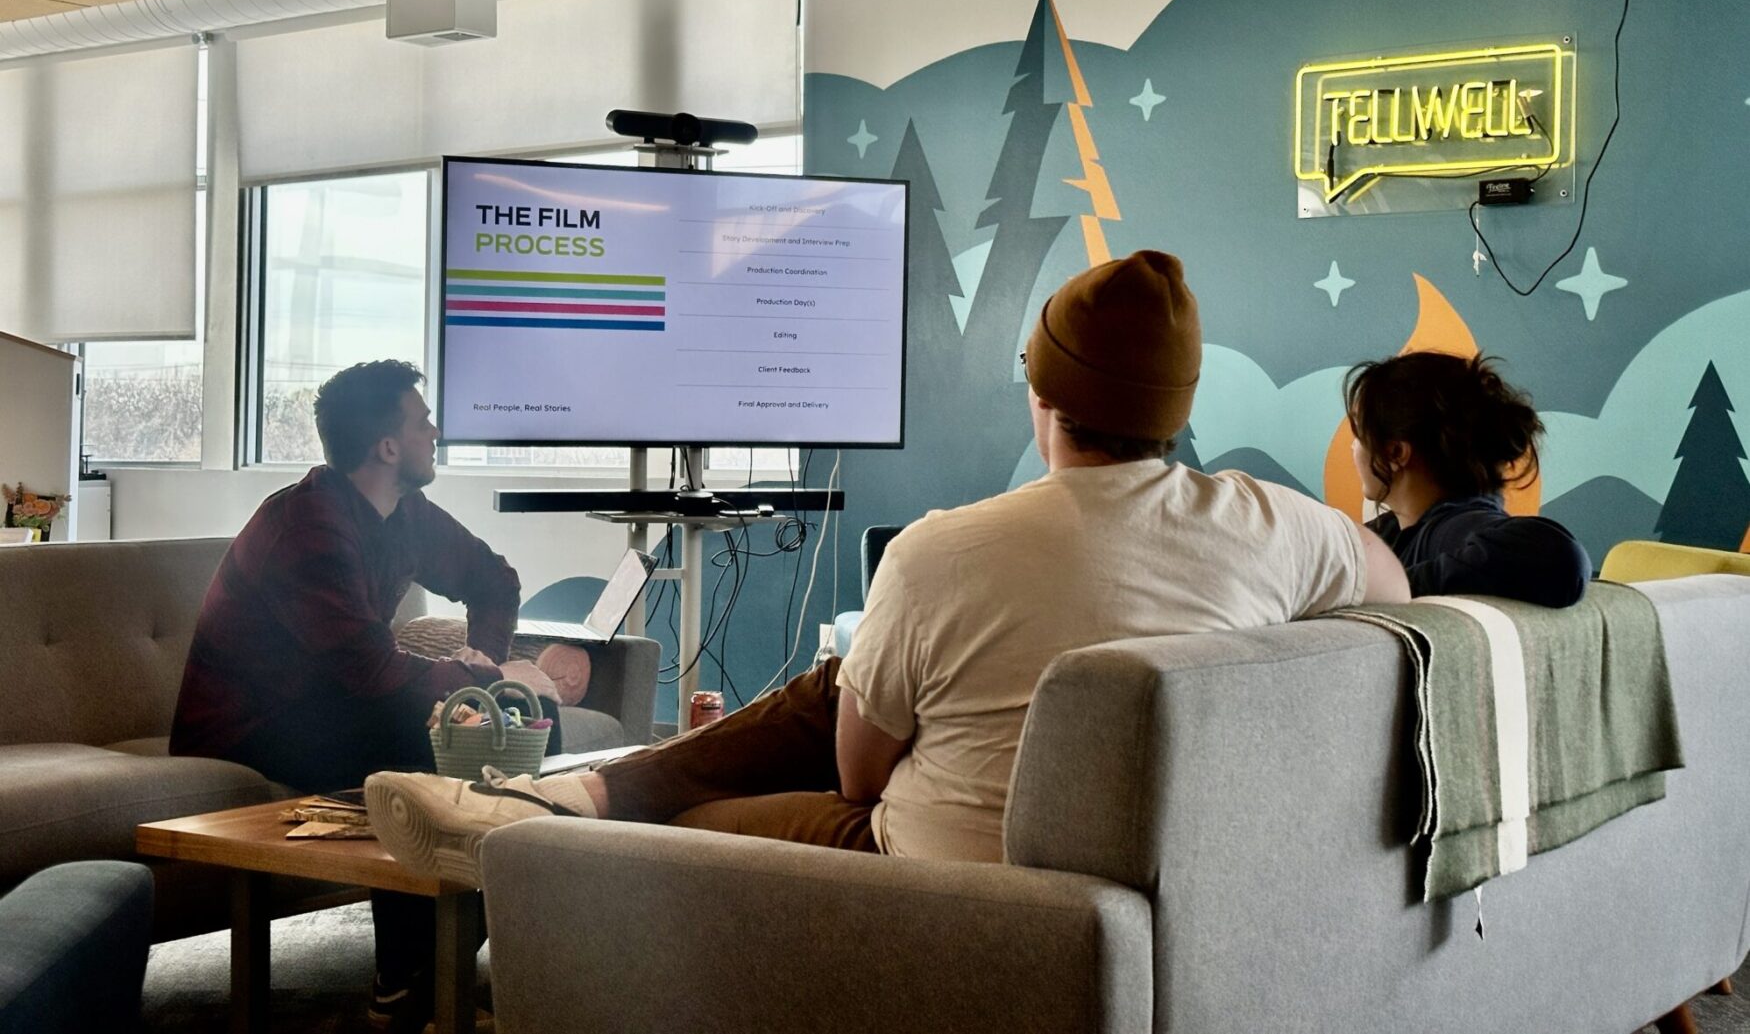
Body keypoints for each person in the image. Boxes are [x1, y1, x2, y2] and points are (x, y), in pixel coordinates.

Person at [365, 251, 1410, 881]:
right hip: (1167, 865)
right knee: (846, 685)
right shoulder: (1280, 525)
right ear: (1176, 408)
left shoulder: (946, 548)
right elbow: (1395, 587)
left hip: (935, 874)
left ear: (1043, 396)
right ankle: (571, 794)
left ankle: (563, 812)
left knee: (705, 802)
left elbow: (859, 778)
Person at [169, 359, 557, 1031]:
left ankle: (443, 958)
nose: (435, 431)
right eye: (422, 420)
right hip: (250, 721)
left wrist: (488, 667)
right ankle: (405, 981)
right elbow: (371, 673)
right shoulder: (307, 525)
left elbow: (493, 581)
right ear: (386, 446)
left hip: (334, 702)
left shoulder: (406, 512)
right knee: (417, 735)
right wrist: (471, 683)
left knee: (522, 721)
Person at [1345, 351, 1591, 606]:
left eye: (1359, 435)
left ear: (1396, 453)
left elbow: (1562, 560)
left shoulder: (1455, 528)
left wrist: (1392, 589)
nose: (1353, 448)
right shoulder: (1387, 533)